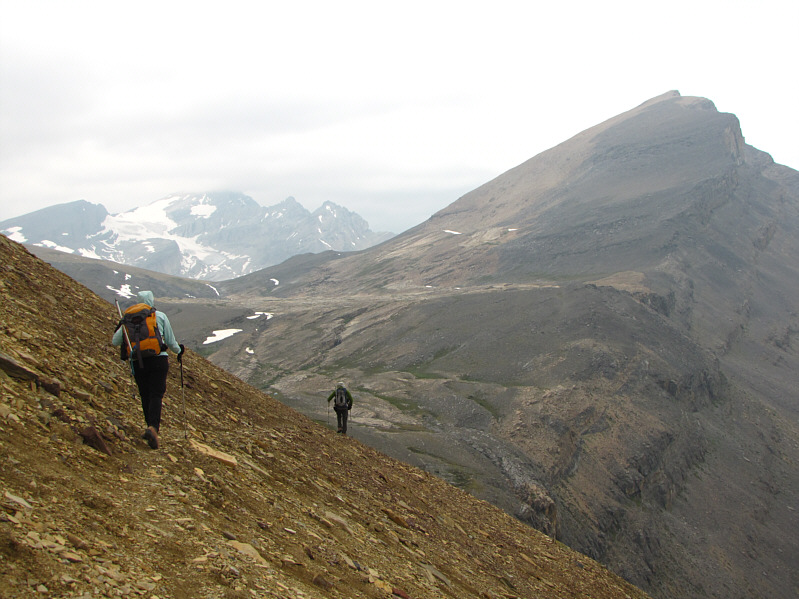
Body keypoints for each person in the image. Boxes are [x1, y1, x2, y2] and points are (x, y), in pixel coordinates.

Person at [112, 291, 183, 449]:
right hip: (158, 359)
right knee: (156, 394)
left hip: (137, 361)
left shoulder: (129, 318)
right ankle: (153, 428)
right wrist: (179, 351)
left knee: (145, 394)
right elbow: (171, 341)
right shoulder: (159, 316)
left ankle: (149, 427)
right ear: (151, 300)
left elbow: (115, 341)